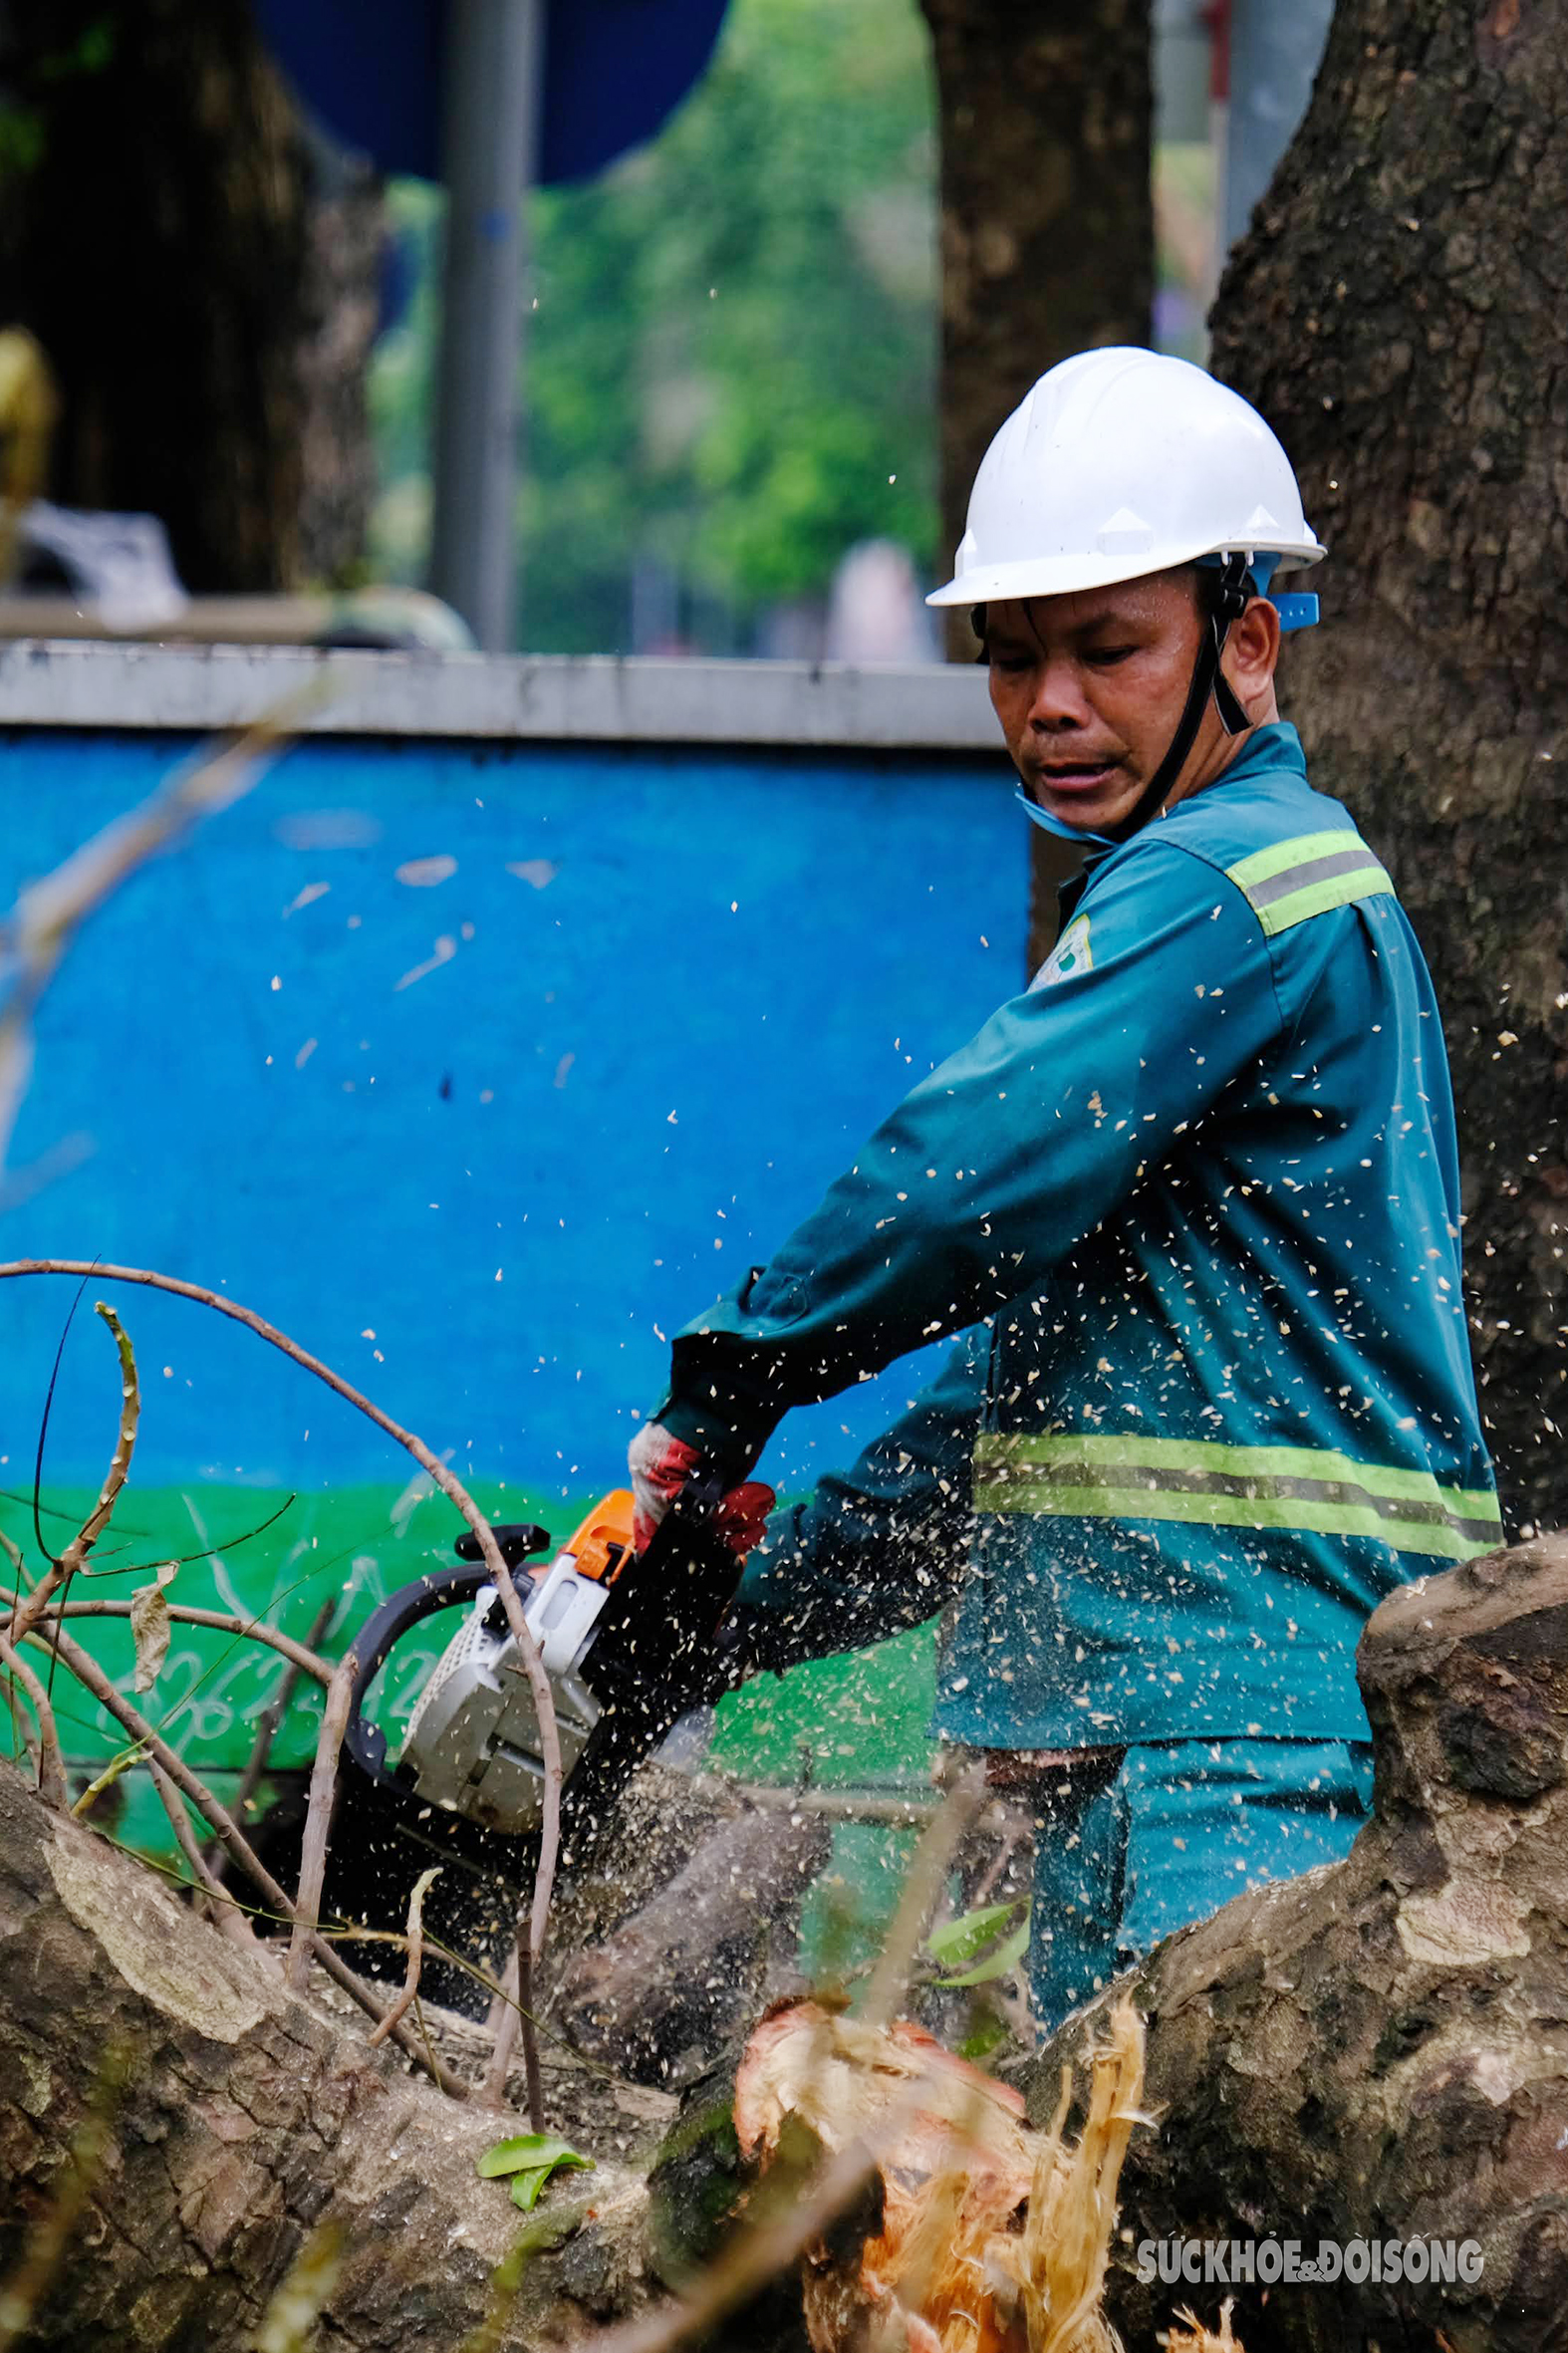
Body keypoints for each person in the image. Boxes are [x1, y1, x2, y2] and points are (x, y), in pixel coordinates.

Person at [627, 348, 1501, 2029]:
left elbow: (962, 1179)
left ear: (1245, 642)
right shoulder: (1196, 939)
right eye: (1012, 657)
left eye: (1108, 649)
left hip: (1243, 1731)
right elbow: (1000, 1411)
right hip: (1159, 1740)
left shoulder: (1230, 878)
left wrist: (735, 1379)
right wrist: (719, 1619)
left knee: (1202, 2262)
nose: (1049, 704)